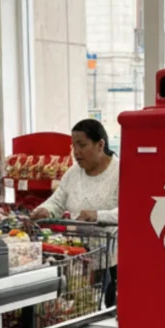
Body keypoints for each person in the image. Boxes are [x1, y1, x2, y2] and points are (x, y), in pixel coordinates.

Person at [31, 119, 120, 306]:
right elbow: (58, 200)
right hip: (76, 257)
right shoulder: (73, 172)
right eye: (74, 146)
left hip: (111, 259)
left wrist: (97, 216)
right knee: (78, 305)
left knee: (104, 307)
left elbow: (130, 211)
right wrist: (45, 210)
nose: (76, 152)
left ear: (100, 145)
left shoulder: (120, 172)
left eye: (82, 145)